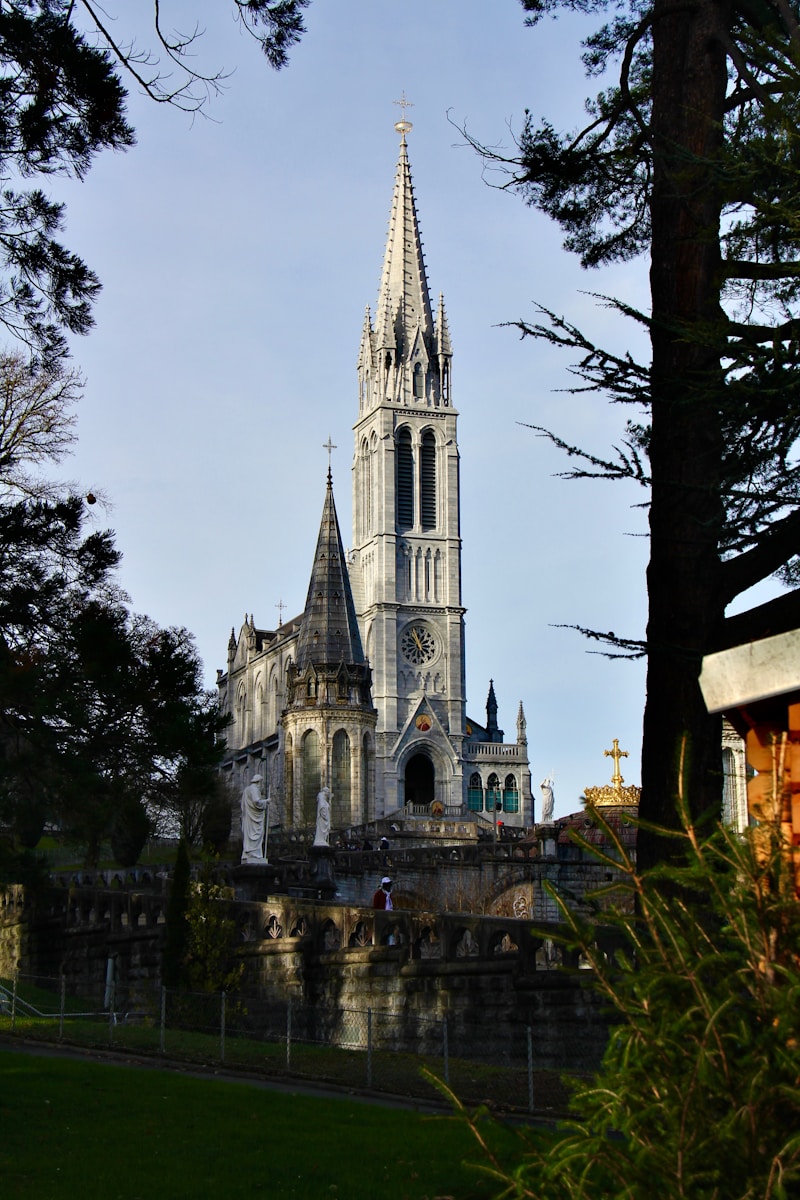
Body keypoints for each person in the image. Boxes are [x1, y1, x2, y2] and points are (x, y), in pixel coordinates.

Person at [240, 774, 267, 864]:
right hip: (253, 817)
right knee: (256, 834)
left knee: (249, 835)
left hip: (248, 816)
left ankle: (248, 853)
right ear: (259, 782)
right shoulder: (254, 789)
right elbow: (256, 801)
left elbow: (243, 805)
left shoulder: (246, 789)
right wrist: (266, 801)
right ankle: (254, 854)